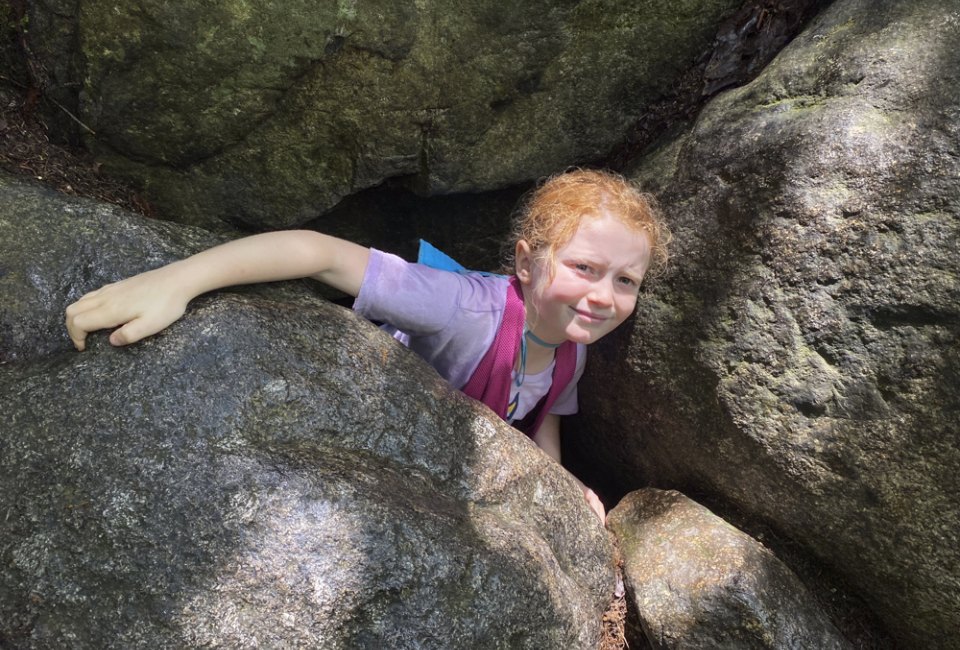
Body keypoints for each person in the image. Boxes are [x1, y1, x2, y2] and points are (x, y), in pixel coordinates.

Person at [65, 169, 669, 523]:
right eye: (585, 267)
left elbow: (541, 424)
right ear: (527, 261)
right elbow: (322, 255)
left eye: (626, 281)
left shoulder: (573, 345)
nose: (603, 295)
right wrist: (177, 281)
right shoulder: (459, 308)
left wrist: (562, 497)